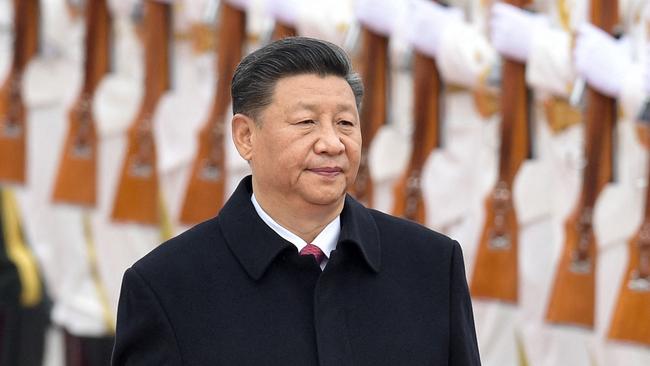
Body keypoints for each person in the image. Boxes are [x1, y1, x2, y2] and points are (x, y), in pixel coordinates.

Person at [111, 36, 481, 365]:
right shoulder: (167, 286)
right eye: (306, 123)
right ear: (245, 137)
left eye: (345, 124)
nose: (332, 143)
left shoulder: (431, 266)